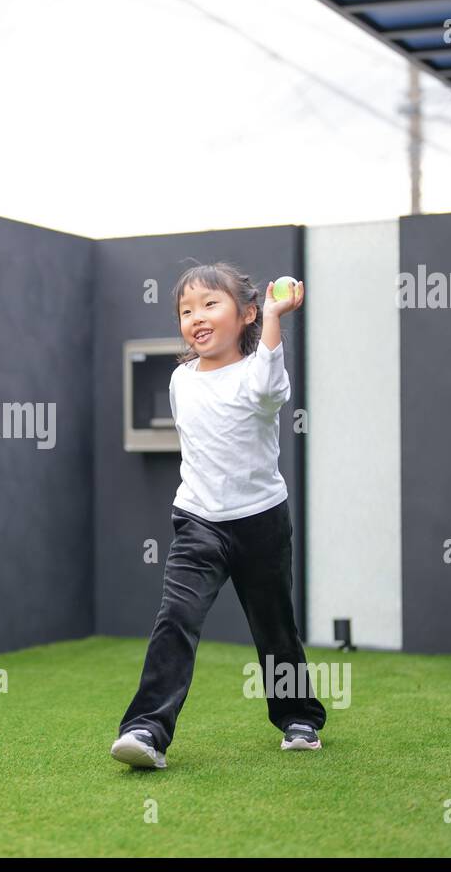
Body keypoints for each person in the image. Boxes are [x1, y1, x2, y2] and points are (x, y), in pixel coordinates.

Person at [111, 261, 326, 770]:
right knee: (176, 619)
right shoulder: (180, 379)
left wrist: (273, 315)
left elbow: (269, 388)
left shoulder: (258, 373)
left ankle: (298, 718)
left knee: (275, 628)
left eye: (210, 304)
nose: (196, 317)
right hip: (197, 522)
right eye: (186, 310)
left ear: (245, 314)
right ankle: (146, 729)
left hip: (262, 521)